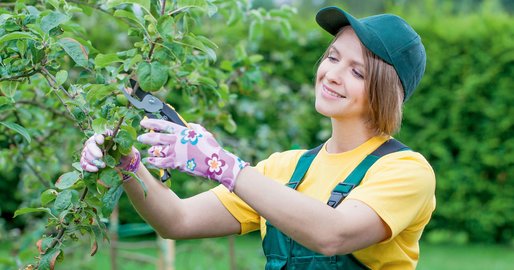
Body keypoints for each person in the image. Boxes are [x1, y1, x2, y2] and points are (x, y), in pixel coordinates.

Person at [81, 6, 435, 269]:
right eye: (332, 57)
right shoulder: (284, 168)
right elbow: (177, 221)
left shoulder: (405, 170)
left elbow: (334, 234)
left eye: (357, 71)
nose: (332, 74)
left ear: (386, 93)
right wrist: (127, 164)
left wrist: (225, 166)